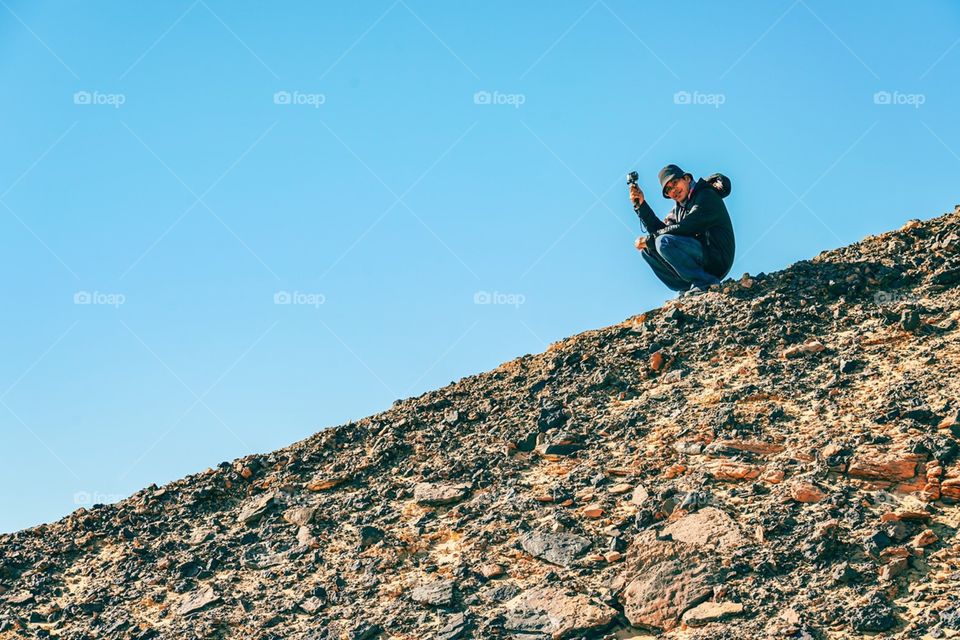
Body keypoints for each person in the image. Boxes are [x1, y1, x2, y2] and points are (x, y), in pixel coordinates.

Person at [630, 164, 736, 296]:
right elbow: (664, 231)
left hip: (717, 259)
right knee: (648, 250)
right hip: (700, 257)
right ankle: (689, 286)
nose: (673, 190)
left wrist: (649, 240)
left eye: (675, 183)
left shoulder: (706, 195)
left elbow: (687, 227)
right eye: (668, 189)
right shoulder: (680, 209)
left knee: (662, 241)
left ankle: (704, 282)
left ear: (687, 179)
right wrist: (642, 206)